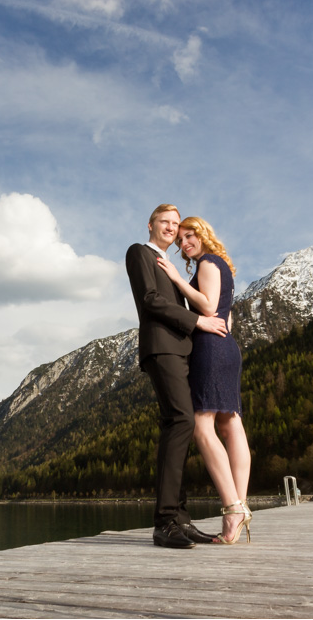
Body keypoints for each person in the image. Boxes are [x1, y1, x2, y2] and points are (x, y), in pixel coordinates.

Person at [125, 204, 229, 549]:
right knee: (182, 420)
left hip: (180, 351)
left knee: (179, 425)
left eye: (175, 223)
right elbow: (151, 301)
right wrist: (199, 322)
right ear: (151, 224)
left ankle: (180, 519)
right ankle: (165, 521)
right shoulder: (139, 253)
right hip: (162, 348)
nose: (171, 228)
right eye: (165, 222)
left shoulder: (170, 266)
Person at [156, 216, 252, 544]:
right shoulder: (223, 265)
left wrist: (176, 279)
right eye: (181, 239)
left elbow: (209, 306)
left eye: (189, 235)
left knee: (202, 426)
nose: (184, 243)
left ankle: (233, 507)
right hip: (226, 346)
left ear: (204, 233)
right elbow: (227, 314)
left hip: (211, 349)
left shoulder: (209, 262)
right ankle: (238, 510)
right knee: (231, 424)